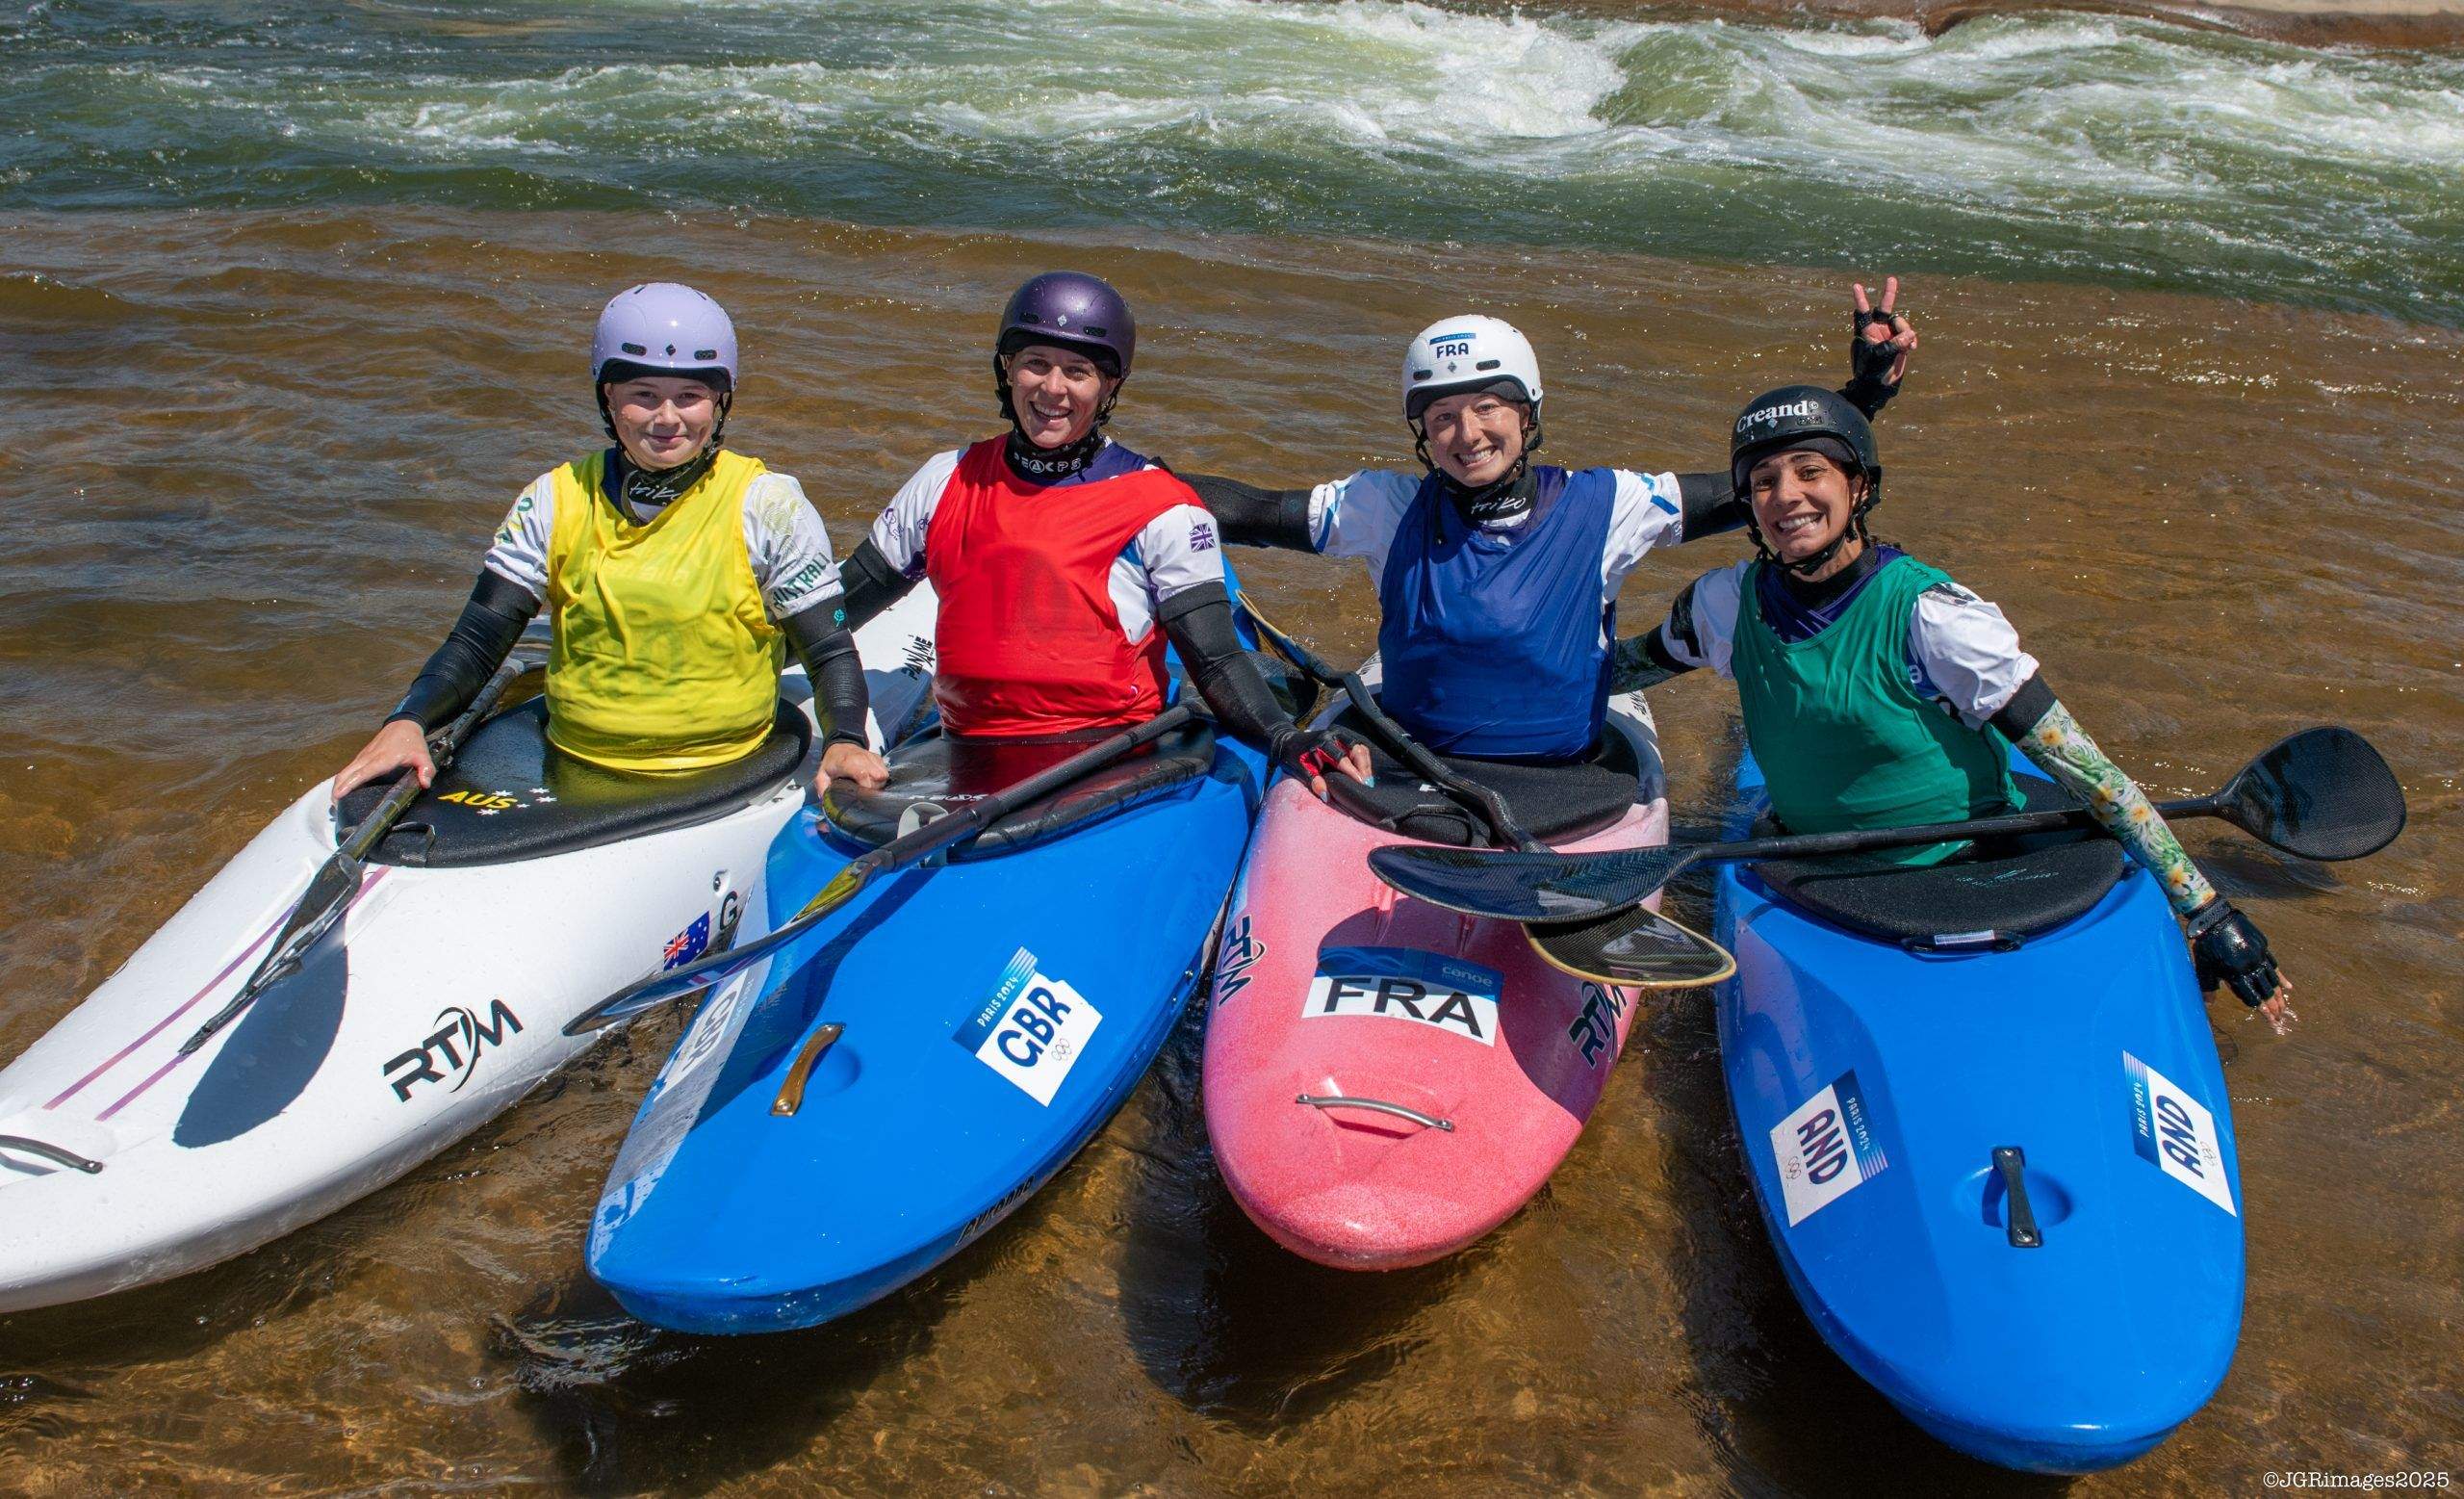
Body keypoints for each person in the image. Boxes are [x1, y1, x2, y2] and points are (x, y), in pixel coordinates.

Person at [1612, 385, 2295, 1030]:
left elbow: (2089, 772)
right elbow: (1614, 672)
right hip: (1818, 878)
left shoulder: (1936, 619)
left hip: (1963, 867)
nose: (1786, 496)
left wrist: (2205, 910)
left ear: (1860, 486)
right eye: (1763, 481)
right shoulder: (1723, 604)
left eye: (1809, 471)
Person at [1179, 282, 1917, 766]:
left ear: (1527, 415)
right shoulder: (1385, 508)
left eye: (1488, 407)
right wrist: (1122, 474)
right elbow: (1256, 510)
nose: (1466, 433)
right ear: (1421, 433)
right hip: (1416, 762)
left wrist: (1859, 399)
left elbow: (1756, 488)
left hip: (1567, 775)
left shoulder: (1609, 506)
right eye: (1442, 417)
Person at [334, 283, 888, 800]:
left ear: (720, 403)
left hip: (721, 771)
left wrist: (844, 739)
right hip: (575, 762)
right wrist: (407, 721)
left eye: (690, 395)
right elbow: (479, 640)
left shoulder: (769, 505)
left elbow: (828, 650)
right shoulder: (554, 497)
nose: (668, 419)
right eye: (643, 394)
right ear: (608, 397)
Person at [830, 271, 1371, 796]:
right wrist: (835, 727)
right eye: (1035, 364)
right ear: (1007, 368)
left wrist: (1284, 739)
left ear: (1109, 386)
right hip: (967, 742)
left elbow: (1217, 660)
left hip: (1110, 750)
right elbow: (838, 610)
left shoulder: (1164, 507)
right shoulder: (945, 479)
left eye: (1077, 371)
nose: (1052, 389)